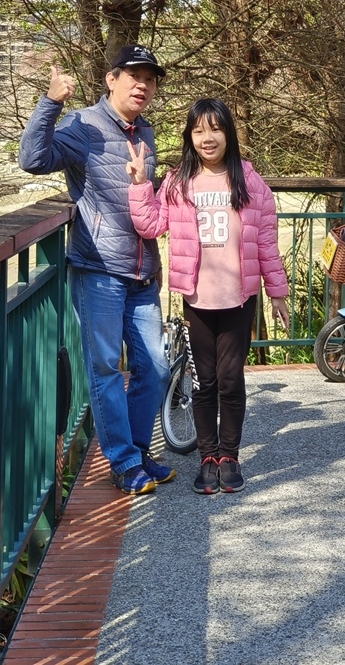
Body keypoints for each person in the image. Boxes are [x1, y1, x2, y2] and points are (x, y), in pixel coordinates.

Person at [19, 44, 175, 495]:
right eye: (133, 75)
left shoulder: (144, 131)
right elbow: (32, 160)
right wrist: (51, 102)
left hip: (142, 272)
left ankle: (139, 451)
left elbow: (144, 200)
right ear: (111, 79)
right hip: (99, 270)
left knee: (155, 367)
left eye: (150, 77)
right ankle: (124, 462)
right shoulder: (81, 123)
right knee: (106, 367)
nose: (142, 84)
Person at [126, 97, 290, 495]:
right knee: (204, 383)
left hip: (239, 298)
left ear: (228, 133)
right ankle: (208, 457)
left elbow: (266, 240)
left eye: (214, 129)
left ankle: (229, 456)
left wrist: (278, 291)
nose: (206, 138)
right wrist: (138, 185)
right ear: (190, 136)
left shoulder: (249, 181)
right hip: (196, 298)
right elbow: (151, 226)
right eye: (198, 130)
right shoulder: (179, 182)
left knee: (231, 380)